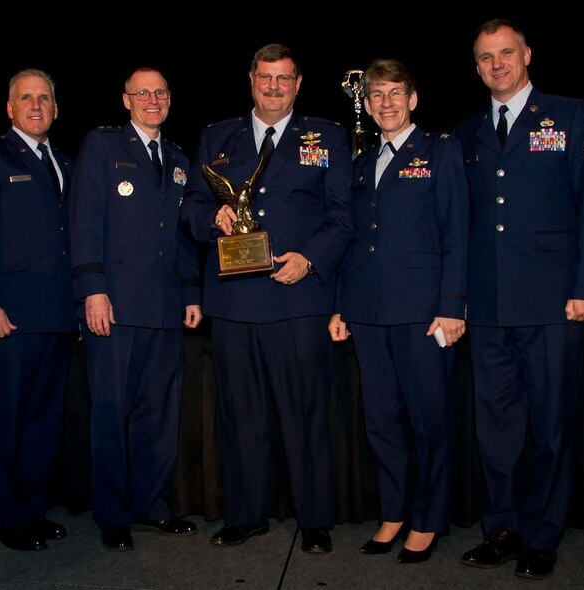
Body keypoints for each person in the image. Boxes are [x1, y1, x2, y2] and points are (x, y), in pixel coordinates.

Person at [179, 43, 354, 554]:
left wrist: (310, 258)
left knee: (307, 415)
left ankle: (316, 519)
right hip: (234, 302)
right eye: (265, 78)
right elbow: (189, 206)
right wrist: (212, 218)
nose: (273, 87)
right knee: (242, 414)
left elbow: (343, 216)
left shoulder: (329, 136)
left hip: (300, 297)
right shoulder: (217, 137)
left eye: (284, 79)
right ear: (250, 79)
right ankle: (246, 515)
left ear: (298, 84)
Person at [453, 19, 584, 579]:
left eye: (505, 53)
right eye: (485, 57)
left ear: (526, 54)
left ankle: (542, 536)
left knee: (551, 426)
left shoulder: (571, 115)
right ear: (475, 67)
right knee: (496, 430)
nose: (496, 64)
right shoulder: (467, 132)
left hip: (553, 304)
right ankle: (503, 529)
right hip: (489, 307)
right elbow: (463, 225)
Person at [329, 59, 468, 564]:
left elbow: (457, 231)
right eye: (376, 95)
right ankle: (394, 512)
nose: (385, 103)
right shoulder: (362, 164)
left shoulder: (440, 151)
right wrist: (341, 305)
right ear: (366, 104)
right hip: (368, 313)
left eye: (394, 93)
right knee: (382, 421)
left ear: (413, 99)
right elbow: (353, 241)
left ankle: (428, 520)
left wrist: (453, 306)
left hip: (423, 314)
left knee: (428, 420)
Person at [69, 67, 202, 552]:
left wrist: (191, 292)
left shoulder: (181, 159)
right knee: (111, 413)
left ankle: (151, 507)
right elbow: (84, 219)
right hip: (116, 306)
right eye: (143, 92)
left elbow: (183, 236)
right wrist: (92, 290)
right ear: (126, 99)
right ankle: (113, 516)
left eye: (161, 92)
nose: (153, 99)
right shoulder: (103, 146)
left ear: (170, 100)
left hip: (166, 308)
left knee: (159, 416)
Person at [0, 68, 77, 551]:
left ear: (55, 107)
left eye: (44, 98)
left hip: (56, 317)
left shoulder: (64, 162)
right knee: (7, 423)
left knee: (43, 424)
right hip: (7, 317)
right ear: (10, 109)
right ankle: (7, 520)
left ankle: (33, 510)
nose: (36, 106)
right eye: (26, 98)